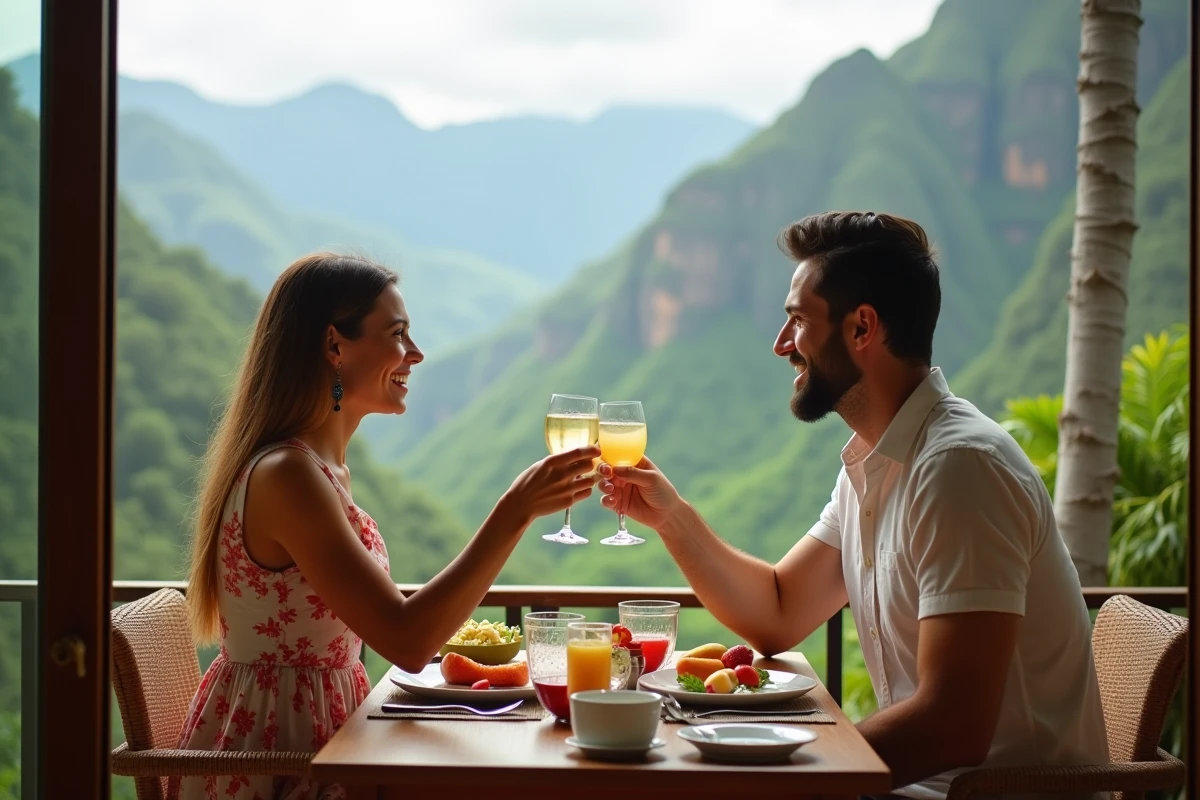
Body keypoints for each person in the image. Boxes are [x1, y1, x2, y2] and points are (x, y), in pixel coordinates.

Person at [598, 212, 1108, 799]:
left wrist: (792, 771)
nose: (781, 344)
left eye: (796, 322)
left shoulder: (960, 468)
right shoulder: (878, 463)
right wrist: (671, 516)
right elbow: (779, 610)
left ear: (862, 328)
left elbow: (954, 725)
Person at [172, 253, 598, 800]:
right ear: (334, 345)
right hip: (283, 760)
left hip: (332, 743)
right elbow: (407, 638)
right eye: (398, 335)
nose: (415, 355)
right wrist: (513, 512)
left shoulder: (322, 470)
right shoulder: (289, 476)